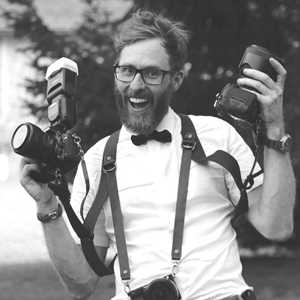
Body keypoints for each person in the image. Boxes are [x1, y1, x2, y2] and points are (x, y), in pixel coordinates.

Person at [20, 9, 295, 300]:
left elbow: (276, 227)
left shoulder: (218, 136)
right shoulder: (97, 161)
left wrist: (275, 129)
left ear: (176, 79)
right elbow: (82, 284)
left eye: (152, 73)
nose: (136, 85)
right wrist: (47, 206)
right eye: (127, 70)